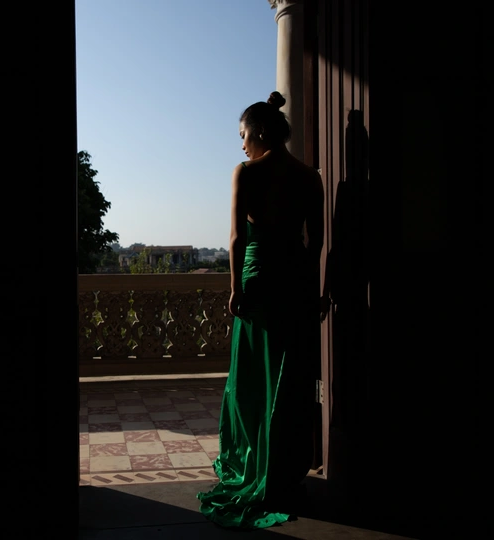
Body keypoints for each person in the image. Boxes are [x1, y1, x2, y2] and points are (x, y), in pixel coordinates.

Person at [197, 91, 324, 529]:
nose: (241, 144)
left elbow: (236, 238)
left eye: (243, 134)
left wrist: (235, 288)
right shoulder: (310, 178)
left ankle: (253, 467)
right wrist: (310, 285)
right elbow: (315, 243)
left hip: (259, 282)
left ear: (261, 132)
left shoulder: (247, 172)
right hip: (296, 283)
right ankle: (284, 472)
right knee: (288, 381)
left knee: (252, 381)